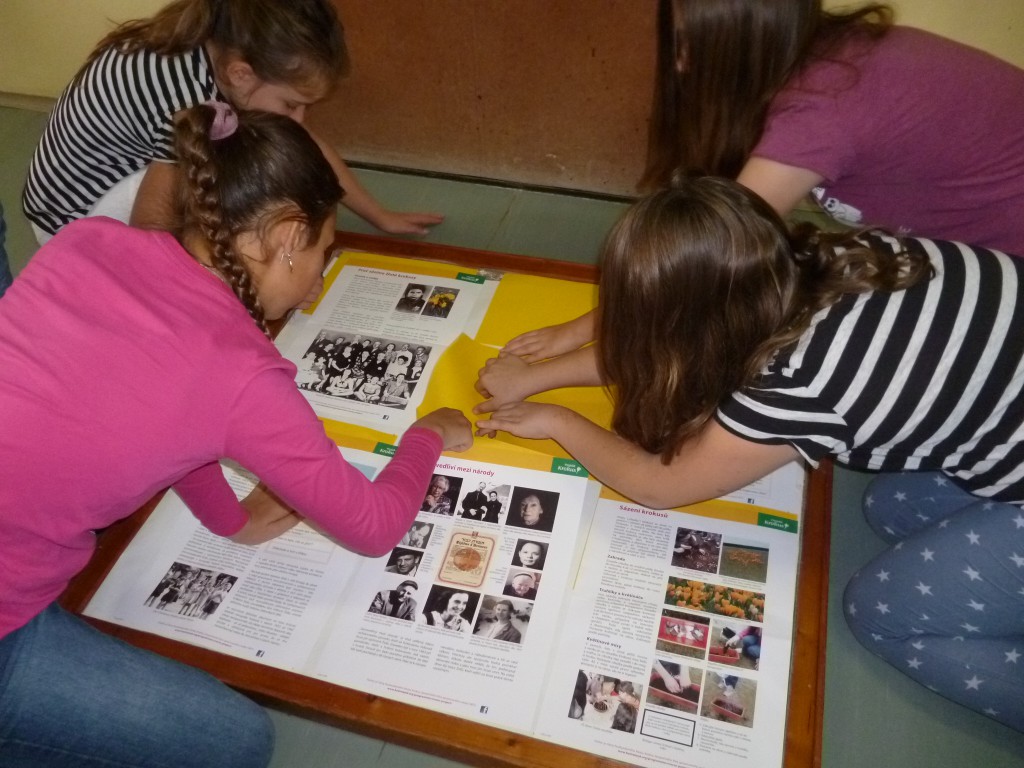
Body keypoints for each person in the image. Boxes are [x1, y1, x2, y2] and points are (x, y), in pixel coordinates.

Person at [0, 103, 472, 768]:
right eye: (323, 254)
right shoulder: (241, 374)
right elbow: (373, 526)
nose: (317, 285)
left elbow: (170, 413)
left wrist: (231, 519)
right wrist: (427, 433)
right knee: (235, 742)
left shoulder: (88, 239)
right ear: (287, 236)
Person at [475, 177, 1024, 732]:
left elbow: (656, 485)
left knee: (875, 615)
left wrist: (558, 420)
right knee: (888, 509)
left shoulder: (796, 383)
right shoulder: (841, 253)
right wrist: (538, 376)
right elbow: (665, 348)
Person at [502, 0, 1024, 365]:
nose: (679, 64)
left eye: (694, 46)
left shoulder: (818, 115)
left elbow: (702, 265)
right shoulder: (820, 54)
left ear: (749, 42)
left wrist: (580, 335)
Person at [22, 0, 442, 248]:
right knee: (233, 181)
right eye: (292, 104)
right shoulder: (186, 96)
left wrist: (379, 216)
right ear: (241, 74)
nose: (299, 119)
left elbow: (303, 141)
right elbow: (151, 224)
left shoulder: (218, 52)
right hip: (72, 221)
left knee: (250, 157)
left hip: (102, 183)